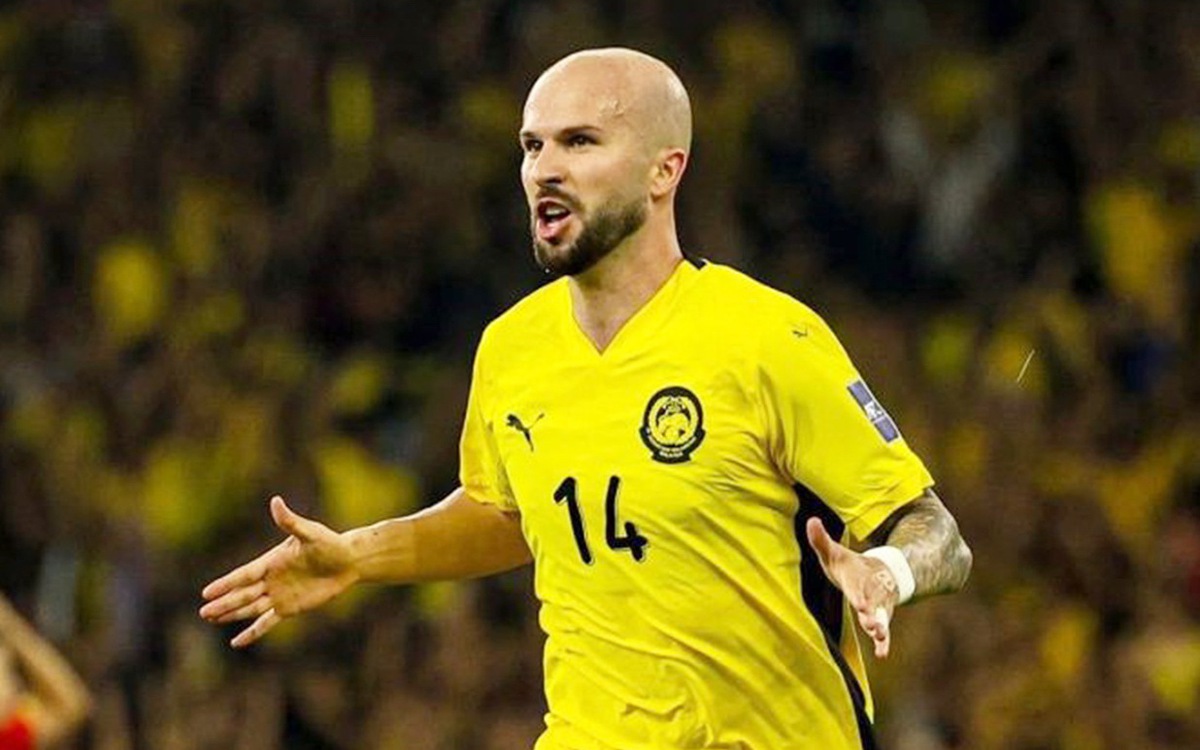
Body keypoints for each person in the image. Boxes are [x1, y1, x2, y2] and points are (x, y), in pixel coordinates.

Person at [200, 47, 972, 749]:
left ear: (664, 171)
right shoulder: (512, 348)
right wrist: (359, 556)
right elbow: (510, 515)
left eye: (579, 142)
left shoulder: (766, 339)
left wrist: (887, 572)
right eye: (532, 146)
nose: (545, 169)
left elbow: (937, 534)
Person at [0, 594, 91, 750]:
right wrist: (11, 626)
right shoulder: (11, 735)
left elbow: (73, 705)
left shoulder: (12, 734)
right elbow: (72, 704)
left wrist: (10, 626)